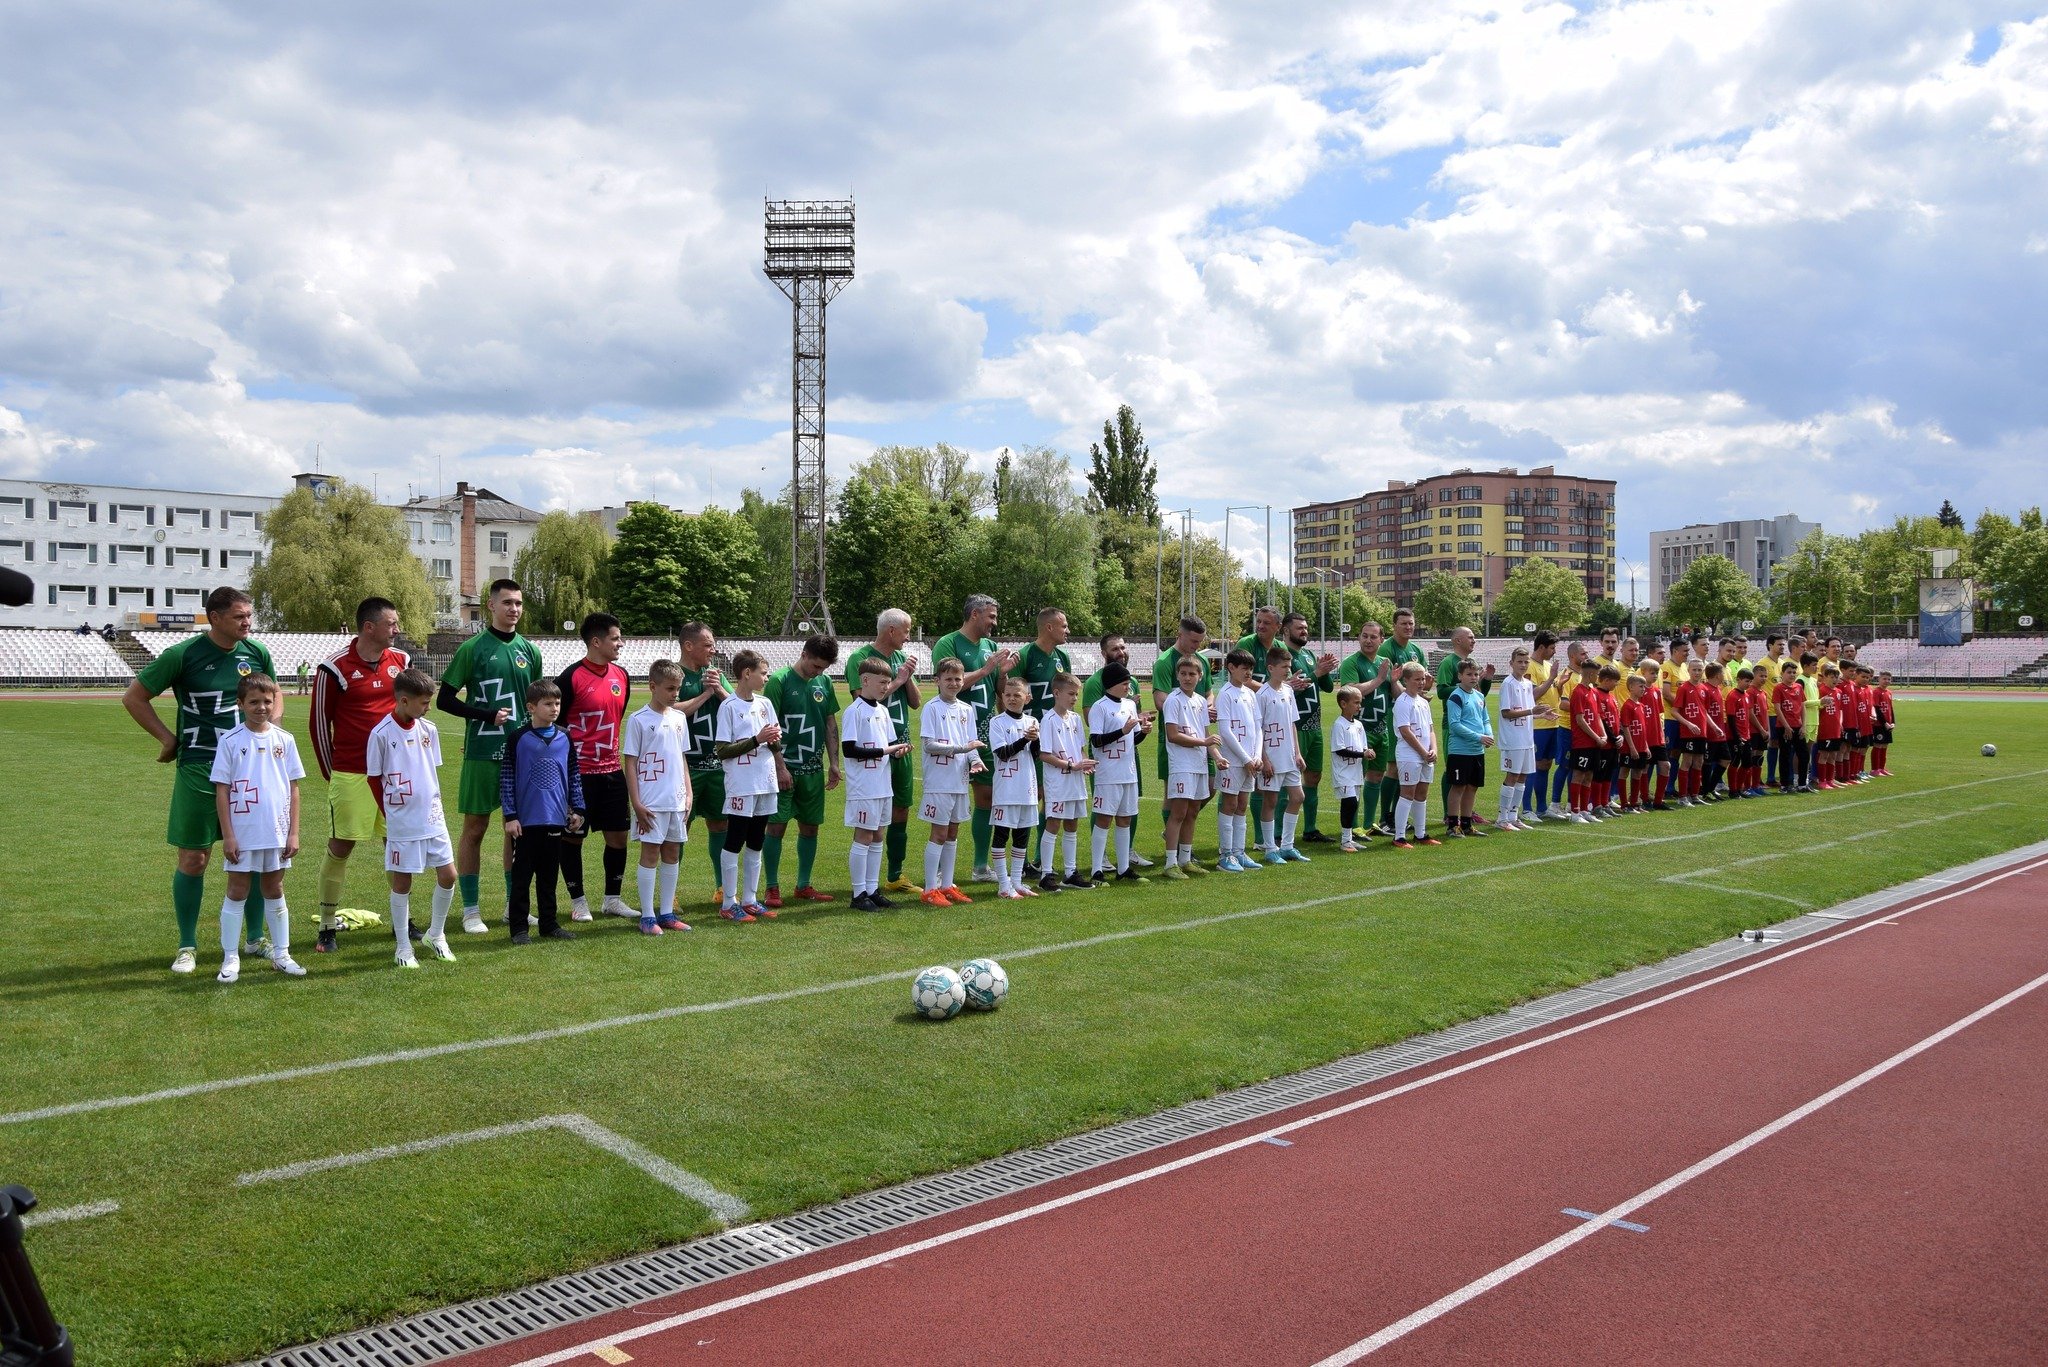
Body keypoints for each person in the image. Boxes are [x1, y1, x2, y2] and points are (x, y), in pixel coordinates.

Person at [123, 585, 278, 974]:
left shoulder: (256, 653)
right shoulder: (182, 655)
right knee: (194, 857)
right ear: (215, 618)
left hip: (248, 769)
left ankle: (255, 938)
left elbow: (273, 696)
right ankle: (187, 945)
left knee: (251, 853)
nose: (248, 622)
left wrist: (269, 733)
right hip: (199, 766)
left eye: (249, 615)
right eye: (240, 616)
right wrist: (167, 739)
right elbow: (134, 697)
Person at [438, 579, 543, 934]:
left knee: (517, 830)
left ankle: (514, 907)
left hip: (521, 754)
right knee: (475, 828)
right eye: (507, 602)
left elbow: (537, 703)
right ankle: (470, 910)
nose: (514, 609)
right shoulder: (472, 649)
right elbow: (444, 699)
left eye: (519, 603)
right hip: (482, 752)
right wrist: (484, 715)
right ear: (491, 606)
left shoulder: (530, 651)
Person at [311, 597, 412, 952]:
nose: (397, 629)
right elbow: (319, 725)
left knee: (396, 846)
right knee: (341, 846)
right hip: (351, 773)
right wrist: (333, 773)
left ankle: (402, 921)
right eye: (391, 623)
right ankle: (327, 924)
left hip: (393, 775)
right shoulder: (334, 667)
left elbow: (411, 714)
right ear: (369, 627)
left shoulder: (401, 661)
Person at [208, 673, 305, 982]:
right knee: (237, 890)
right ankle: (230, 957)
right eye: (254, 702)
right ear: (240, 704)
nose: (261, 707)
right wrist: (229, 835)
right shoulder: (230, 741)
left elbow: (294, 789)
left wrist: (293, 832)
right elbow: (222, 790)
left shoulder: (284, 740)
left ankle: (282, 954)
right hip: (244, 832)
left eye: (267, 701)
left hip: (276, 830)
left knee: (274, 889)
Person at [366, 668, 459, 967]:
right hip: (402, 823)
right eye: (424, 702)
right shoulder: (381, 734)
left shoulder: (429, 730)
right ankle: (403, 947)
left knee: (449, 875)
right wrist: (391, 814)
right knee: (402, 882)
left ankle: (436, 934)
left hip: (433, 817)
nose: (428, 707)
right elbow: (373, 779)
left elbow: (429, 772)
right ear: (404, 701)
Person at [932, 595, 1018, 884]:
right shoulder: (948, 643)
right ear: (975, 615)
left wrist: (1001, 674)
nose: (995, 622)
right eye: (991, 616)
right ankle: (940, 872)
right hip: (953, 735)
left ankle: (980, 866)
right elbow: (948, 683)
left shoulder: (990, 647)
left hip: (984, 734)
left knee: (987, 797)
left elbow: (999, 691)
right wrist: (984, 670)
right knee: (948, 804)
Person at [556, 612, 632, 923]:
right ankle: (579, 902)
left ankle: (612, 900)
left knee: (619, 837)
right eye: (615, 638)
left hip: (612, 772)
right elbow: (556, 725)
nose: (620, 643)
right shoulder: (570, 677)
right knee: (573, 837)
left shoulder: (622, 676)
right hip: (579, 776)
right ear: (596, 642)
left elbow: (616, 718)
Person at [500, 680, 586, 944]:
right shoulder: (518, 738)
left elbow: (573, 774)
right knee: (522, 876)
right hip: (526, 821)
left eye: (557, 703)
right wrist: (511, 815)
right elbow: (507, 779)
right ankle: (519, 928)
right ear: (531, 707)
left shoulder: (565, 736)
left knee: (549, 875)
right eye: (548, 704)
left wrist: (578, 808)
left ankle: (549, 924)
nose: (554, 708)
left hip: (555, 817)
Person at [842, 609, 922, 893]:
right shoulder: (860, 658)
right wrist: (897, 680)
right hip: (873, 751)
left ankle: (893, 875)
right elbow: (863, 700)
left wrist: (907, 676)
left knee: (899, 809)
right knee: (868, 826)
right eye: (906, 631)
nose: (908, 637)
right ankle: (862, 889)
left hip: (899, 745)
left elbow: (915, 702)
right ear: (891, 630)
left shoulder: (901, 659)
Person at [763, 635, 842, 909]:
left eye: (823, 668)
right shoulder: (779, 681)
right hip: (785, 770)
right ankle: (771, 887)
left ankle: (803, 885)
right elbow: (769, 727)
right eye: (816, 666)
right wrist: (780, 767)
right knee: (776, 826)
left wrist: (834, 763)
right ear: (804, 654)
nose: (818, 672)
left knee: (810, 827)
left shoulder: (825, 682)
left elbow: (829, 722)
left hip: (812, 770)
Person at [622, 659, 694, 933]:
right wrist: (636, 802)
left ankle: (667, 913)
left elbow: (681, 758)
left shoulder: (678, 719)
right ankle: (648, 916)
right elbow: (630, 762)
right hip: (651, 801)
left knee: (672, 852)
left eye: (678, 689)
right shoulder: (639, 720)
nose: (675, 694)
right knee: (650, 853)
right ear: (653, 686)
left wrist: (688, 793)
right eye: (670, 688)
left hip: (676, 799)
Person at [713, 649, 784, 921]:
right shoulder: (729, 707)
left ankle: (750, 899)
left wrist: (774, 740)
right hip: (742, 784)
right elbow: (722, 750)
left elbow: (774, 743)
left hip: (765, 781)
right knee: (735, 839)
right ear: (746, 673)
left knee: (756, 841)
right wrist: (757, 739)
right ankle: (728, 903)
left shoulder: (765, 703)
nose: (766, 678)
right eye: (763, 673)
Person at [840, 655, 911, 911]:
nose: (886, 687)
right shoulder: (854, 711)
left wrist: (898, 751)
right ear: (865, 680)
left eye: (888, 682)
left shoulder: (883, 711)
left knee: (878, 834)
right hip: (863, 786)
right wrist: (885, 751)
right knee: (864, 836)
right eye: (882, 682)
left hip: (882, 784)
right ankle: (858, 894)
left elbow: (888, 746)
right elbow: (849, 750)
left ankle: (872, 889)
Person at [918, 657, 984, 906]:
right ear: (938, 680)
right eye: (948, 679)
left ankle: (947, 885)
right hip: (939, 781)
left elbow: (971, 744)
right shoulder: (932, 708)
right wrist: (961, 749)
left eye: (958, 679)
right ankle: (929, 889)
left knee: (953, 833)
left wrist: (975, 760)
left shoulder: (966, 709)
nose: (954, 683)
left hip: (959, 780)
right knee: (939, 833)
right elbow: (929, 745)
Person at [1013, 606, 1073, 875]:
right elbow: (1011, 694)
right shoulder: (1026, 655)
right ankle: (1022, 859)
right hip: (1031, 738)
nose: (1067, 630)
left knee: (1051, 797)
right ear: (1049, 627)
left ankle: (1039, 859)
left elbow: (1068, 694)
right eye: (1064, 626)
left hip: (1056, 738)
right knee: (1032, 796)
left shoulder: (1062, 657)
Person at [675, 622, 729, 899]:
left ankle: (722, 888)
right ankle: (671, 894)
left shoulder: (715, 676)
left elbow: (737, 708)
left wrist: (718, 690)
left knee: (720, 824)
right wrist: (706, 694)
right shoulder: (674, 674)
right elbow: (670, 710)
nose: (713, 650)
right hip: (686, 767)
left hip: (718, 767)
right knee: (680, 828)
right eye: (708, 645)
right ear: (688, 646)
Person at [1087, 660, 1151, 883]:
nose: (1128, 687)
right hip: (1108, 773)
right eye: (1124, 683)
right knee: (1104, 818)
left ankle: (1123, 869)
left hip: (1128, 772)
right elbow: (1096, 740)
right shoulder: (1100, 707)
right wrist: (1122, 730)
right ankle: (1097, 869)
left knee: (1125, 819)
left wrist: (1143, 733)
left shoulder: (1130, 705)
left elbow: (1132, 740)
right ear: (1112, 684)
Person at [1150, 614, 1211, 843]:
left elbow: (1208, 693)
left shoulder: (1201, 661)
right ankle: (1174, 843)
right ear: (1180, 635)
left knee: (1210, 787)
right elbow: (1160, 701)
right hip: (1175, 739)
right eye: (1193, 641)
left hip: (1200, 737)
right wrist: (1188, 710)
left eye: (1200, 642)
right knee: (1173, 795)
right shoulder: (1165, 662)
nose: (1197, 646)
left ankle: (1175, 835)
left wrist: (1207, 706)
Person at [1279, 612, 1339, 841]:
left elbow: (1328, 688)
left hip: (1315, 727)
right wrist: (1316, 673)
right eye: (1299, 628)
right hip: (1296, 726)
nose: (1304, 631)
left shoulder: (1308, 654)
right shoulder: (1284, 656)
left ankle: (1310, 830)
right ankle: (1279, 834)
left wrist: (1324, 671)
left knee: (1313, 777)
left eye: (1305, 627)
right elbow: (1288, 688)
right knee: (1288, 780)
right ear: (1286, 630)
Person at [1160, 653, 1219, 878]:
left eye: (1192, 674)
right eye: (1183, 673)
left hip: (1199, 764)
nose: (1187, 678)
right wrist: (1204, 743)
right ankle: (1170, 863)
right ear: (1177, 676)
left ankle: (1185, 860)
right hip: (1181, 764)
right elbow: (1173, 735)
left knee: (1193, 811)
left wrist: (1217, 757)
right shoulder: (1173, 700)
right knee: (1179, 812)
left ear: (1200, 676)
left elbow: (1205, 733)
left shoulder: (1201, 701)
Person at [1335, 619, 1395, 837]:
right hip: (1359, 729)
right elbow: (1350, 691)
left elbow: (1393, 692)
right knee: (1355, 779)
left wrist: (1396, 682)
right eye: (1364, 636)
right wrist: (1379, 679)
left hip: (1381, 728)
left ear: (1381, 640)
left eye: (1373, 637)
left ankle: (1369, 823)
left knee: (1377, 776)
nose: (1368, 640)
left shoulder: (1384, 663)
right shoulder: (1352, 663)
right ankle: (1352, 827)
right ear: (1359, 638)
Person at [1036, 672, 1096, 891]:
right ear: (1057, 693)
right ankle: (1046, 874)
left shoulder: (1076, 719)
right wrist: (1071, 765)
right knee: (1053, 823)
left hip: (1075, 780)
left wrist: (1084, 763)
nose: (1074, 698)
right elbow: (1044, 755)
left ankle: (1070, 873)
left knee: (1072, 824)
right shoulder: (1048, 720)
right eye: (1071, 694)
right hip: (1058, 782)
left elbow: (1080, 748)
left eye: (1077, 694)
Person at [988, 676, 1042, 899]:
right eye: (1008, 695)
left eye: (1017, 695)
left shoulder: (1032, 721)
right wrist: (1025, 740)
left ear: (1027, 698)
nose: (1011, 699)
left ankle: (1017, 882)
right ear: (1002, 697)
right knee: (1001, 835)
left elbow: (1036, 755)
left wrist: (1035, 740)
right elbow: (1002, 753)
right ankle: (1003, 885)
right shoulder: (997, 722)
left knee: (1022, 836)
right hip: (1006, 788)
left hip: (1026, 787)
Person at [1375, 608, 1429, 832]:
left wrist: (1421, 693)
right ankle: (1385, 818)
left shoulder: (1416, 650)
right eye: (1403, 623)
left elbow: (1422, 680)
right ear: (1394, 626)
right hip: (1394, 711)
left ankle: (1399, 817)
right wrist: (1409, 696)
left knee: (1406, 769)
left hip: (1413, 709)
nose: (1408, 627)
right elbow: (1390, 682)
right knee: (1394, 766)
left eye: (1411, 623)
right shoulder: (1387, 649)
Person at [1254, 646, 1310, 864]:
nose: (1288, 670)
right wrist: (1264, 758)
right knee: (1271, 801)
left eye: (1289, 666)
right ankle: (1270, 848)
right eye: (1284, 666)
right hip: (1272, 756)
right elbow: (1258, 729)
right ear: (1271, 668)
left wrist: (1298, 753)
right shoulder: (1262, 695)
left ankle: (1287, 846)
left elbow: (1292, 724)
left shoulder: (1288, 691)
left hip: (1289, 756)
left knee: (1298, 797)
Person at [1434, 627, 1494, 820]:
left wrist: (1486, 680)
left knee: (1471, 779)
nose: (1474, 640)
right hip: (1453, 725)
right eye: (1470, 637)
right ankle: (1449, 814)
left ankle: (1467, 814)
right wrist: (1463, 687)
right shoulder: (1448, 662)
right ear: (1458, 640)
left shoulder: (1472, 664)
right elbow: (1441, 691)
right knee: (1452, 770)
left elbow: (1479, 697)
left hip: (1474, 729)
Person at [1212, 647, 1263, 872]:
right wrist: (1245, 758)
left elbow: (1258, 727)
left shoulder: (1250, 694)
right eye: (1244, 668)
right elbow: (1225, 731)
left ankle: (1239, 852)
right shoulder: (1225, 694)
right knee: (1230, 804)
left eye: (1251, 668)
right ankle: (1226, 854)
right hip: (1233, 760)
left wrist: (1257, 756)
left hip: (1250, 760)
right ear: (1231, 668)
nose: (1248, 672)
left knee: (1242, 804)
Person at [1390, 662, 1439, 848]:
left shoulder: (1423, 702)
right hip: (1409, 755)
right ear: (1406, 680)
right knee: (1407, 794)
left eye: (1423, 679)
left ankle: (1420, 834)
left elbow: (1430, 729)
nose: (1421, 682)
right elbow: (1405, 732)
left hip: (1425, 755)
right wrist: (1423, 752)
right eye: (1417, 679)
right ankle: (1399, 837)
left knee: (1422, 794)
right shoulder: (1403, 702)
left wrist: (1434, 749)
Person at [1443, 659, 1495, 837]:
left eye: (1476, 674)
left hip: (1477, 751)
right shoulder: (1456, 697)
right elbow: (1454, 725)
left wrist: (1489, 735)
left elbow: (1485, 719)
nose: (1473, 677)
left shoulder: (1479, 696)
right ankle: (1452, 826)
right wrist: (1478, 737)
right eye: (1469, 674)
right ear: (1460, 676)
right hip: (1460, 751)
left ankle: (1466, 824)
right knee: (1458, 787)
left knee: (1472, 787)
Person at [1494, 646, 1541, 831]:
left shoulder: (1527, 684)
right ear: (1511, 663)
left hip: (1526, 738)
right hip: (1512, 738)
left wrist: (1542, 714)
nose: (1523, 665)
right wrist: (1531, 711)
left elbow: (1529, 711)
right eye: (1519, 662)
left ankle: (1513, 816)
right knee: (1512, 775)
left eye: (1526, 662)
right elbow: (1506, 713)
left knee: (1523, 776)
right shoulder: (1508, 684)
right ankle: (1502, 818)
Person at [1519, 630, 1561, 822]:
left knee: (1545, 765)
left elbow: (1553, 692)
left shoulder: (1548, 665)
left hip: (1552, 723)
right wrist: (1551, 679)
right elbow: (1532, 695)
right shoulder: (1530, 666)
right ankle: (1527, 809)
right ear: (1541, 647)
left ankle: (1542, 808)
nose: (1554, 651)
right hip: (1537, 725)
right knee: (1532, 767)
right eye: (1552, 648)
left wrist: (1559, 684)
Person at [1328, 686, 1372, 852]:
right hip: (1343, 772)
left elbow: (1363, 746)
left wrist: (1368, 752)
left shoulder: (1359, 725)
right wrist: (1362, 754)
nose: (1359, 706)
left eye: (1360, 702)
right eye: (1356, 702)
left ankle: (1349, 839)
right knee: (1349, 803)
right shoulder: (1339, 725)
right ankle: (1345, 841)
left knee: (1353, 805)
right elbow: (1339, 750)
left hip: (1355, 772)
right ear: (1343, 704)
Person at [1618, 673, 1658, 814]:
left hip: (1641, 746)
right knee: (1624, 772)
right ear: (1631, 687)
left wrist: (1646, 746)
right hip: (1629, 748)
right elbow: (1626, 728)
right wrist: (1632, 748)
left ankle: (1635, 803)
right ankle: (1624, 804)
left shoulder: (1641, 705)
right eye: (1640, 686)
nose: (1643, 689)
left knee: (1638, 773)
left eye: (1644, 687)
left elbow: (1643, 729)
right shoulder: (1627, 706)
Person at [1774, 660, 1810, 794]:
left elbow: (1802, 706)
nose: (1792, 675)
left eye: (1794, 672)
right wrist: (1786, 727)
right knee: (1785, 755)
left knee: (1804, 755)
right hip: (1784, 727)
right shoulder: (1778, 688)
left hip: (1798, 726)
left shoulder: (1798, 687)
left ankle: (1802, 784)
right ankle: (1784, 785)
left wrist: (1803, 725)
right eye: (1789, 672)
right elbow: (1777, 708)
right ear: (1782, 673)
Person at [1871, 670, 1896, 776]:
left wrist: (1893, 722)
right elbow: (1876, 708)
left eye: (1888, 679)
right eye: (1884, 679)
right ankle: (1875, 769)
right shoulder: (1876, 692)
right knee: (1878, 745)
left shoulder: (1889, 692)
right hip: (1879, 724)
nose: (1886, 681)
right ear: (1879, 679)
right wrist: (1884, 722)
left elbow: (1890, 708)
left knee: (1885, 745)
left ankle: (1882, 768)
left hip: (1888, 724)